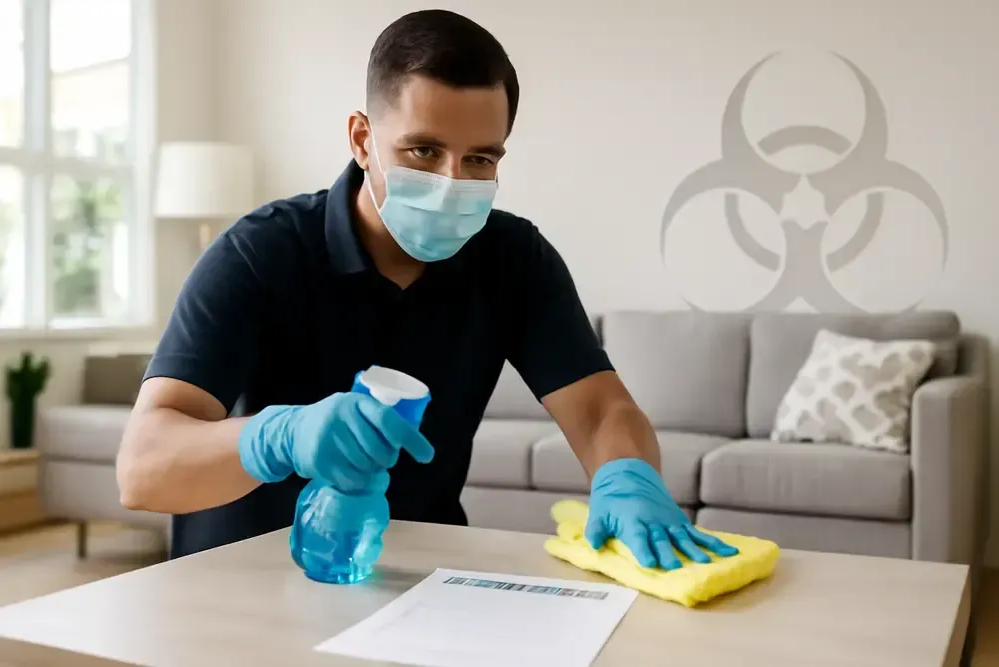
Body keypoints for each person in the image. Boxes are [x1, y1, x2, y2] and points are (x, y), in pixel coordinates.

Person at [116, 9, 738, 569]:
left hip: (419, 577)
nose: (450, 182)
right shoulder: (259, 254)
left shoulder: (513, 259)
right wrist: (277, 438)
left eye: (480, 160)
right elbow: (143, 469)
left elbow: (601, 409)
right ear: (363, 139)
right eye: (423, 150)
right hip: (242, 579)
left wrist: (627, 475)